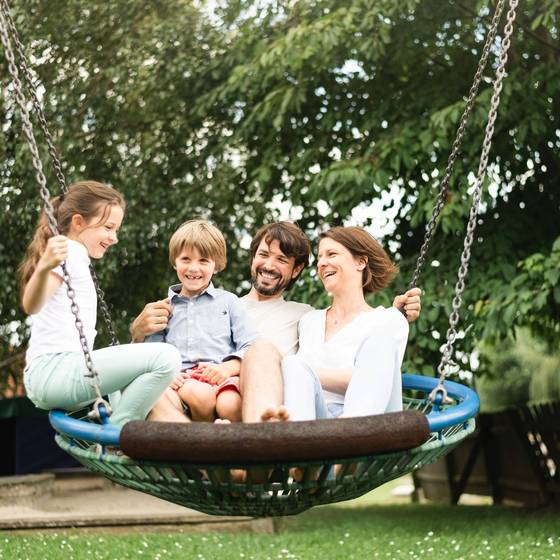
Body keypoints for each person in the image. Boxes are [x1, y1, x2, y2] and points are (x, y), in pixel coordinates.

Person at [131, 222, 421, 423]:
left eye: (281, 259)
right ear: (252, 258)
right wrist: (138, 335)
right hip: (196, 401)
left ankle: (262, 446)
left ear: (296, 270)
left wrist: (392, 314)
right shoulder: (223, 304)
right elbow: (156, 354)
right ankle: (205, 452)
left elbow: (375, 365)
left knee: (270, 356)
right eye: (263, 255)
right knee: (151, 393)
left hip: (262, 410)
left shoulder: (302, 315)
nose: (269, 265)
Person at [21, 181, 181, 427]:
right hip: (53, 372)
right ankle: (122, 431)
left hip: (56, 376)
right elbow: (32, 305)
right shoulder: (70, 251)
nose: (114, 238)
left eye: (116, 229)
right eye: (108, 227)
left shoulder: (77, 256)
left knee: (130, 375)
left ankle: (123, 427)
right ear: (78, 222)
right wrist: (44, 266)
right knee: (167, 357)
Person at [282, 226, 408, 421]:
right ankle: (300, 444)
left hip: (372, 420)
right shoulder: (309, 321)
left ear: (361, 262)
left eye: (331, 254)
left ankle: (352, 433)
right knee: (292, 363)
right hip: (319, 421)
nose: (322, 263)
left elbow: (377, 382)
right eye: (319, 258)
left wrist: (310, 374)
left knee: (380, 340)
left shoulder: (388, 319)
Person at [144, 219, 256, 423]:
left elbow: (249, 345)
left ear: (216, 266)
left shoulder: (229, 302)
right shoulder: (164, 308)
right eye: (186, 259)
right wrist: (167, 374)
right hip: (183, 379)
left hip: (220, 375)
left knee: (230, 404)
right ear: (175, 262)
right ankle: (203, 438)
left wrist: (226, 368)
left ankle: (233, 443)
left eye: (203, 260)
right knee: (198, 394)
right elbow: (153, 352)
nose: (194, 268)